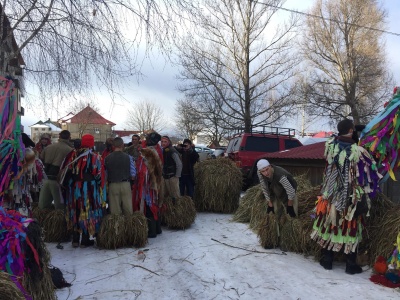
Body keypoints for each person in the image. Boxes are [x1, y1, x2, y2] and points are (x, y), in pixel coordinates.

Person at [311, 119, 381, 274]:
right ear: (351, 130)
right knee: (351, 226)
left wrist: (350, 135)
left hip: (331, 193)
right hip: (351, 196)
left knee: (331, 224)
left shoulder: (330, 146)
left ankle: (327, 260)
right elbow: (370, 168)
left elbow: (340, 142)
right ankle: (350, 264)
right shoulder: (359, 151)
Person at [60, 134, 105, 248]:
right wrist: (100, 187)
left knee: (75, 211)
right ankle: (84, 240)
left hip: (73, 189)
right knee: (86, 211)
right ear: (91, 143)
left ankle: (75, 240)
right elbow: (98, 174)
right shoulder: (95, 157)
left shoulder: (72, 155)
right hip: (88, 189)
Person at [38, 130, 72, 209]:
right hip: (58, 181)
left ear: (59, 137)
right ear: (69, 138)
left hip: (46, 178)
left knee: (42, 207)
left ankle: (42, 220)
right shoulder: (70, 150)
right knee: (59, 208)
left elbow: (40, 161)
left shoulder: (48, 147)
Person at [104, 137, 136, 215]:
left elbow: (105, 174)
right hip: (125, 184)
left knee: (115, 212)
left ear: (113, 145)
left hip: (113, 185)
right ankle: (128, 226)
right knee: (128, 209)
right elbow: (133, 174)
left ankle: (117, 226)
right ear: (122, 145)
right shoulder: (128, 157)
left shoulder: (107, 158)